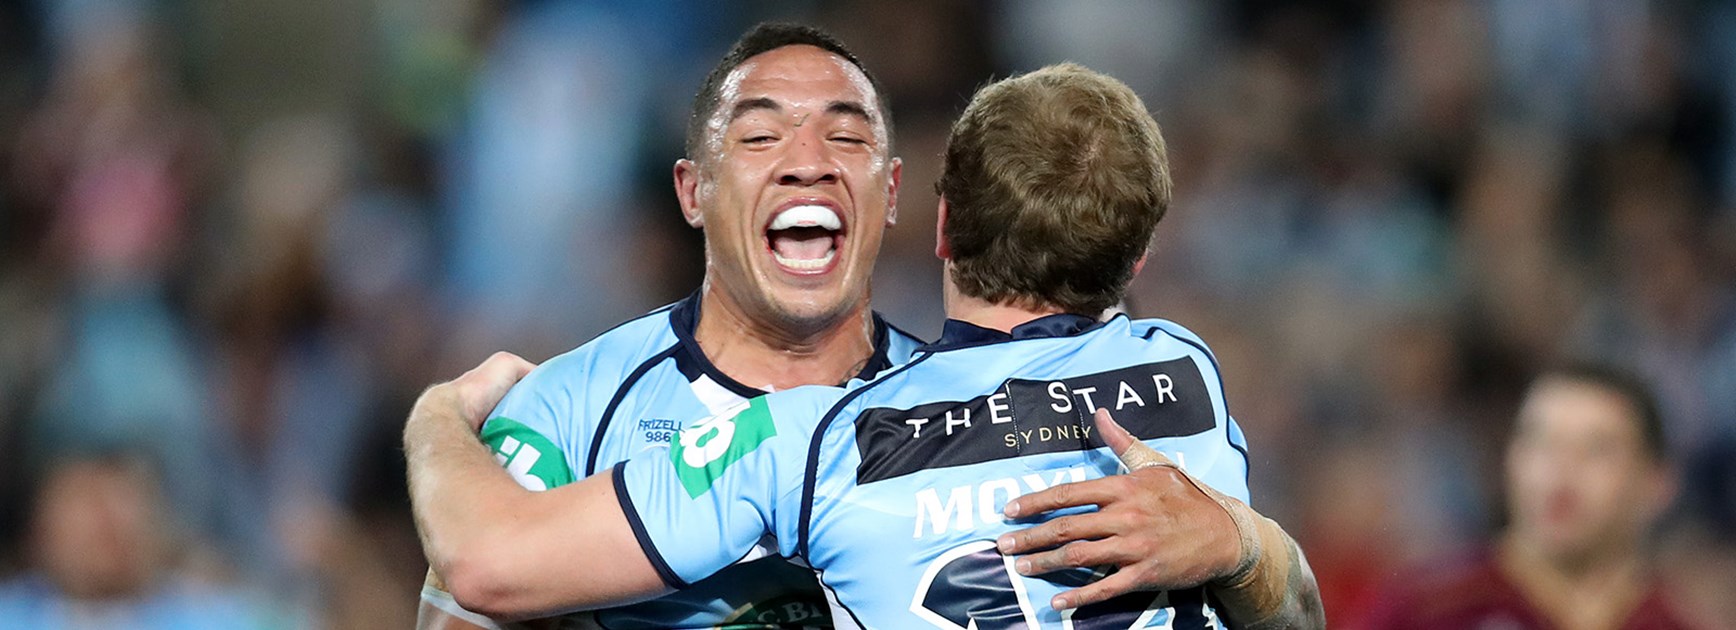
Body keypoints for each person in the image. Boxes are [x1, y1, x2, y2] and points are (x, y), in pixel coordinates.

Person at [407, 63, 1324, 629]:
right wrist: (1247, 546)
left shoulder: (813, 441)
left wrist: (437, 414)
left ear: (936, 222)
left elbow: (485, 561)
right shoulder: (1186, 379)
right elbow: (1298, 615)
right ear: (1143, 254)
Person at [416, 22, 924, 630]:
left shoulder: (973, 407)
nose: (808, 162)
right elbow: (474, 583)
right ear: (693, 192)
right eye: (761, 136)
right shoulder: (565, 410)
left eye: (844, 136)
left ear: (891, 192)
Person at [1357, 362, 1694, 629]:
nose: (1561, 473)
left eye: (1595, 450)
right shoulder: (1424, 609)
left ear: (1657, 483)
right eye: (1540, 442)